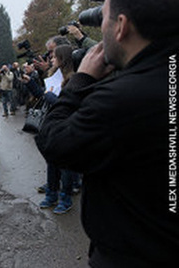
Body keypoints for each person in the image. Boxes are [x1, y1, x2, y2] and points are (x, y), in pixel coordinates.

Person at [35, 0, 179, 266]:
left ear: (121, 27)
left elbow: (54, 142)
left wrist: (81, 81)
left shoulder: (122, 100)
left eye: (104, 20)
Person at [37, 45, 81, 214]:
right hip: (52, 126)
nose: (51, 59)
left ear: (63, 59)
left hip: (67, 127)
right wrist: (32, 85)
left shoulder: (74, 79)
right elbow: (45, 97)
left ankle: (66, 198)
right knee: (52, 163)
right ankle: (51, 195)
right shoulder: (54, 76)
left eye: (54, 56)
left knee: (66, 166)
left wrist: (50, 97)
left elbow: (70, 105)